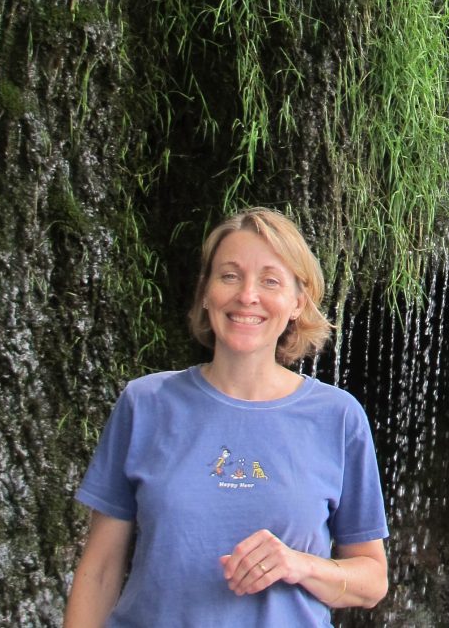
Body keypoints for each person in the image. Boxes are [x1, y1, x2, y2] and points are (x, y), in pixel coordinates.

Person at [64, 207, 389, 627]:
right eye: (230, 276)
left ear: (297, 302)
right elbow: (100, 570)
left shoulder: (338, 416)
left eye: (270, 281)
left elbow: (372, 579)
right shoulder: (145, 403)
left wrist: (299, 565)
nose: (247, 296)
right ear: (206, 291)